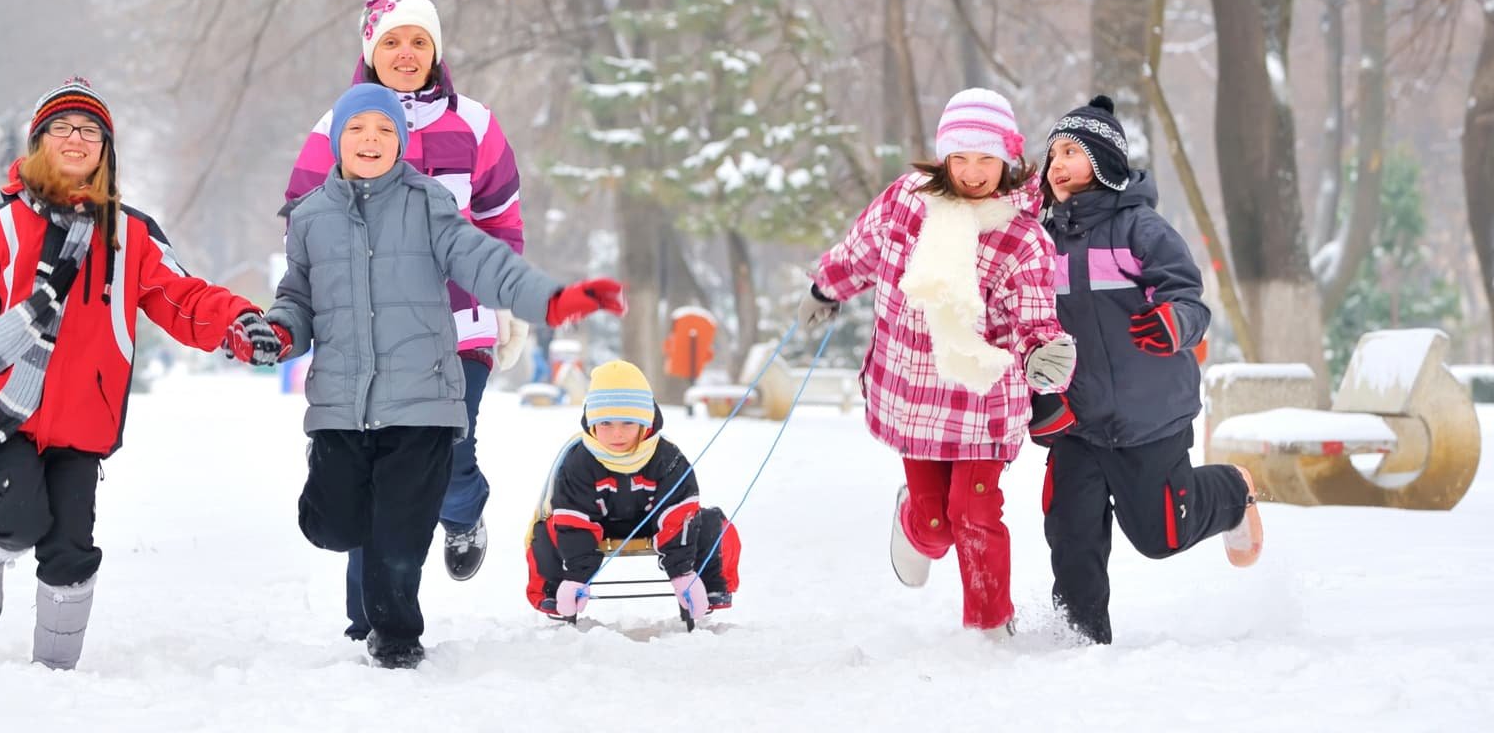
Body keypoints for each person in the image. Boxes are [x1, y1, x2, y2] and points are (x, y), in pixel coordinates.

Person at [0, 78, 277, 670]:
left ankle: (53, 681)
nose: (77, 139)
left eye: (90, 130)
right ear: (39, 141)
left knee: (72, 550)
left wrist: (239, 325)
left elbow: (183, 298)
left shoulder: (132, 234)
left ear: (106, 150)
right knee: (21, 521)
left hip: (85, 424)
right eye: (63, 128)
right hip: (8, 415)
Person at [252, 83, 626, 669]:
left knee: (399, 538)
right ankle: (349, 525)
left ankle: (397, 638)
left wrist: (549, 300)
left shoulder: (427, 203)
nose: (370, 140)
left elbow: (484, 260)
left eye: (383, 130)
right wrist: (277, 333)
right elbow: (297, 298)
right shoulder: (310, 218)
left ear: (399, 141)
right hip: (343, 404)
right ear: (336, 141)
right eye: (357, 130)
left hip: (423, 398)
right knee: (334, 524)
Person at [282, 0, 528, 633]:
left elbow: (501, 216)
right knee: (374, 470)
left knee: (449, 454)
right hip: (368, 334)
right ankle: (370, 618)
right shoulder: (335, 126)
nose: (406, 52)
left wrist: (506, 302)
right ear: (370, 50)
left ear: (436, 50)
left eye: (419, 40)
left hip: (457, 325)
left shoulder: (473, 123)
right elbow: (304, 221)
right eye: (392, 40)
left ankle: (463, 507)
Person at [797, 87, 1075, 636]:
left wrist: (1044, 347)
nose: (973, 172)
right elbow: (861, 249)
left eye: (986, 159)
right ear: (944, 156)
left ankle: (990, 628)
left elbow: (1033, 310)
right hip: (914, 395)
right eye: (962, 158)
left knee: (974, 515)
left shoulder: (1020, 236)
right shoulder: (907, 201)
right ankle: (913, 518)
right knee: (934, 527)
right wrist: (826, 288)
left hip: (984, 402)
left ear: (1008, 160)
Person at [1036, 95, 1264, 645]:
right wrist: (1037, 394)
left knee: (1161, 535)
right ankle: (1080, 635)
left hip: (1147, 414)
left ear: (1105, 161)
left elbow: (1189, 298)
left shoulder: (1140, 228)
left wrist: (1172, 322)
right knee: (1072, 533)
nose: (1057, 163)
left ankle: (1231, 492)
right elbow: (1024, 323)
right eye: (1052, 154)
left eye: (1072, 151)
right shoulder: (1038, 242)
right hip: (1077, 420)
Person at [523, 360, 741, 623]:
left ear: (645, 421)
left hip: (654, 525)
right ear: (592, 424)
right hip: (595, 526)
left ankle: (710, 586)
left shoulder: (666, 457)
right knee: (546, 529)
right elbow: (573, 517)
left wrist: (682, 573)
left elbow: (679, 512)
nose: (617, 434)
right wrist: (577, 576)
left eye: (628, 423)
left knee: (711, 522)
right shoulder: (579, 461)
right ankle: (555, 592)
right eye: (605, 423)